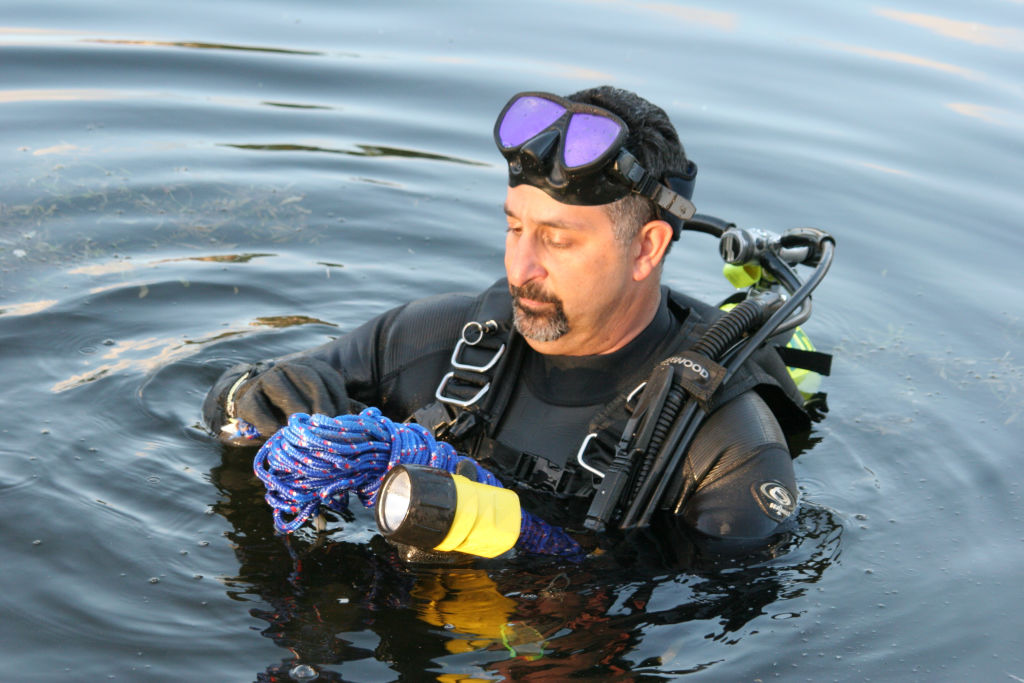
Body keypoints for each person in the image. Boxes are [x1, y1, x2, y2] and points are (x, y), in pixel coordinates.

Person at [203, 86, 819, 544]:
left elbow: (724, 618)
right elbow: (226, 404)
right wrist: (247, 399)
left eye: (557, 239)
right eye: (514, 226)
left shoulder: (725, 449)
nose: (520, 267)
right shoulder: (434, 340)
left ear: (647, 248)